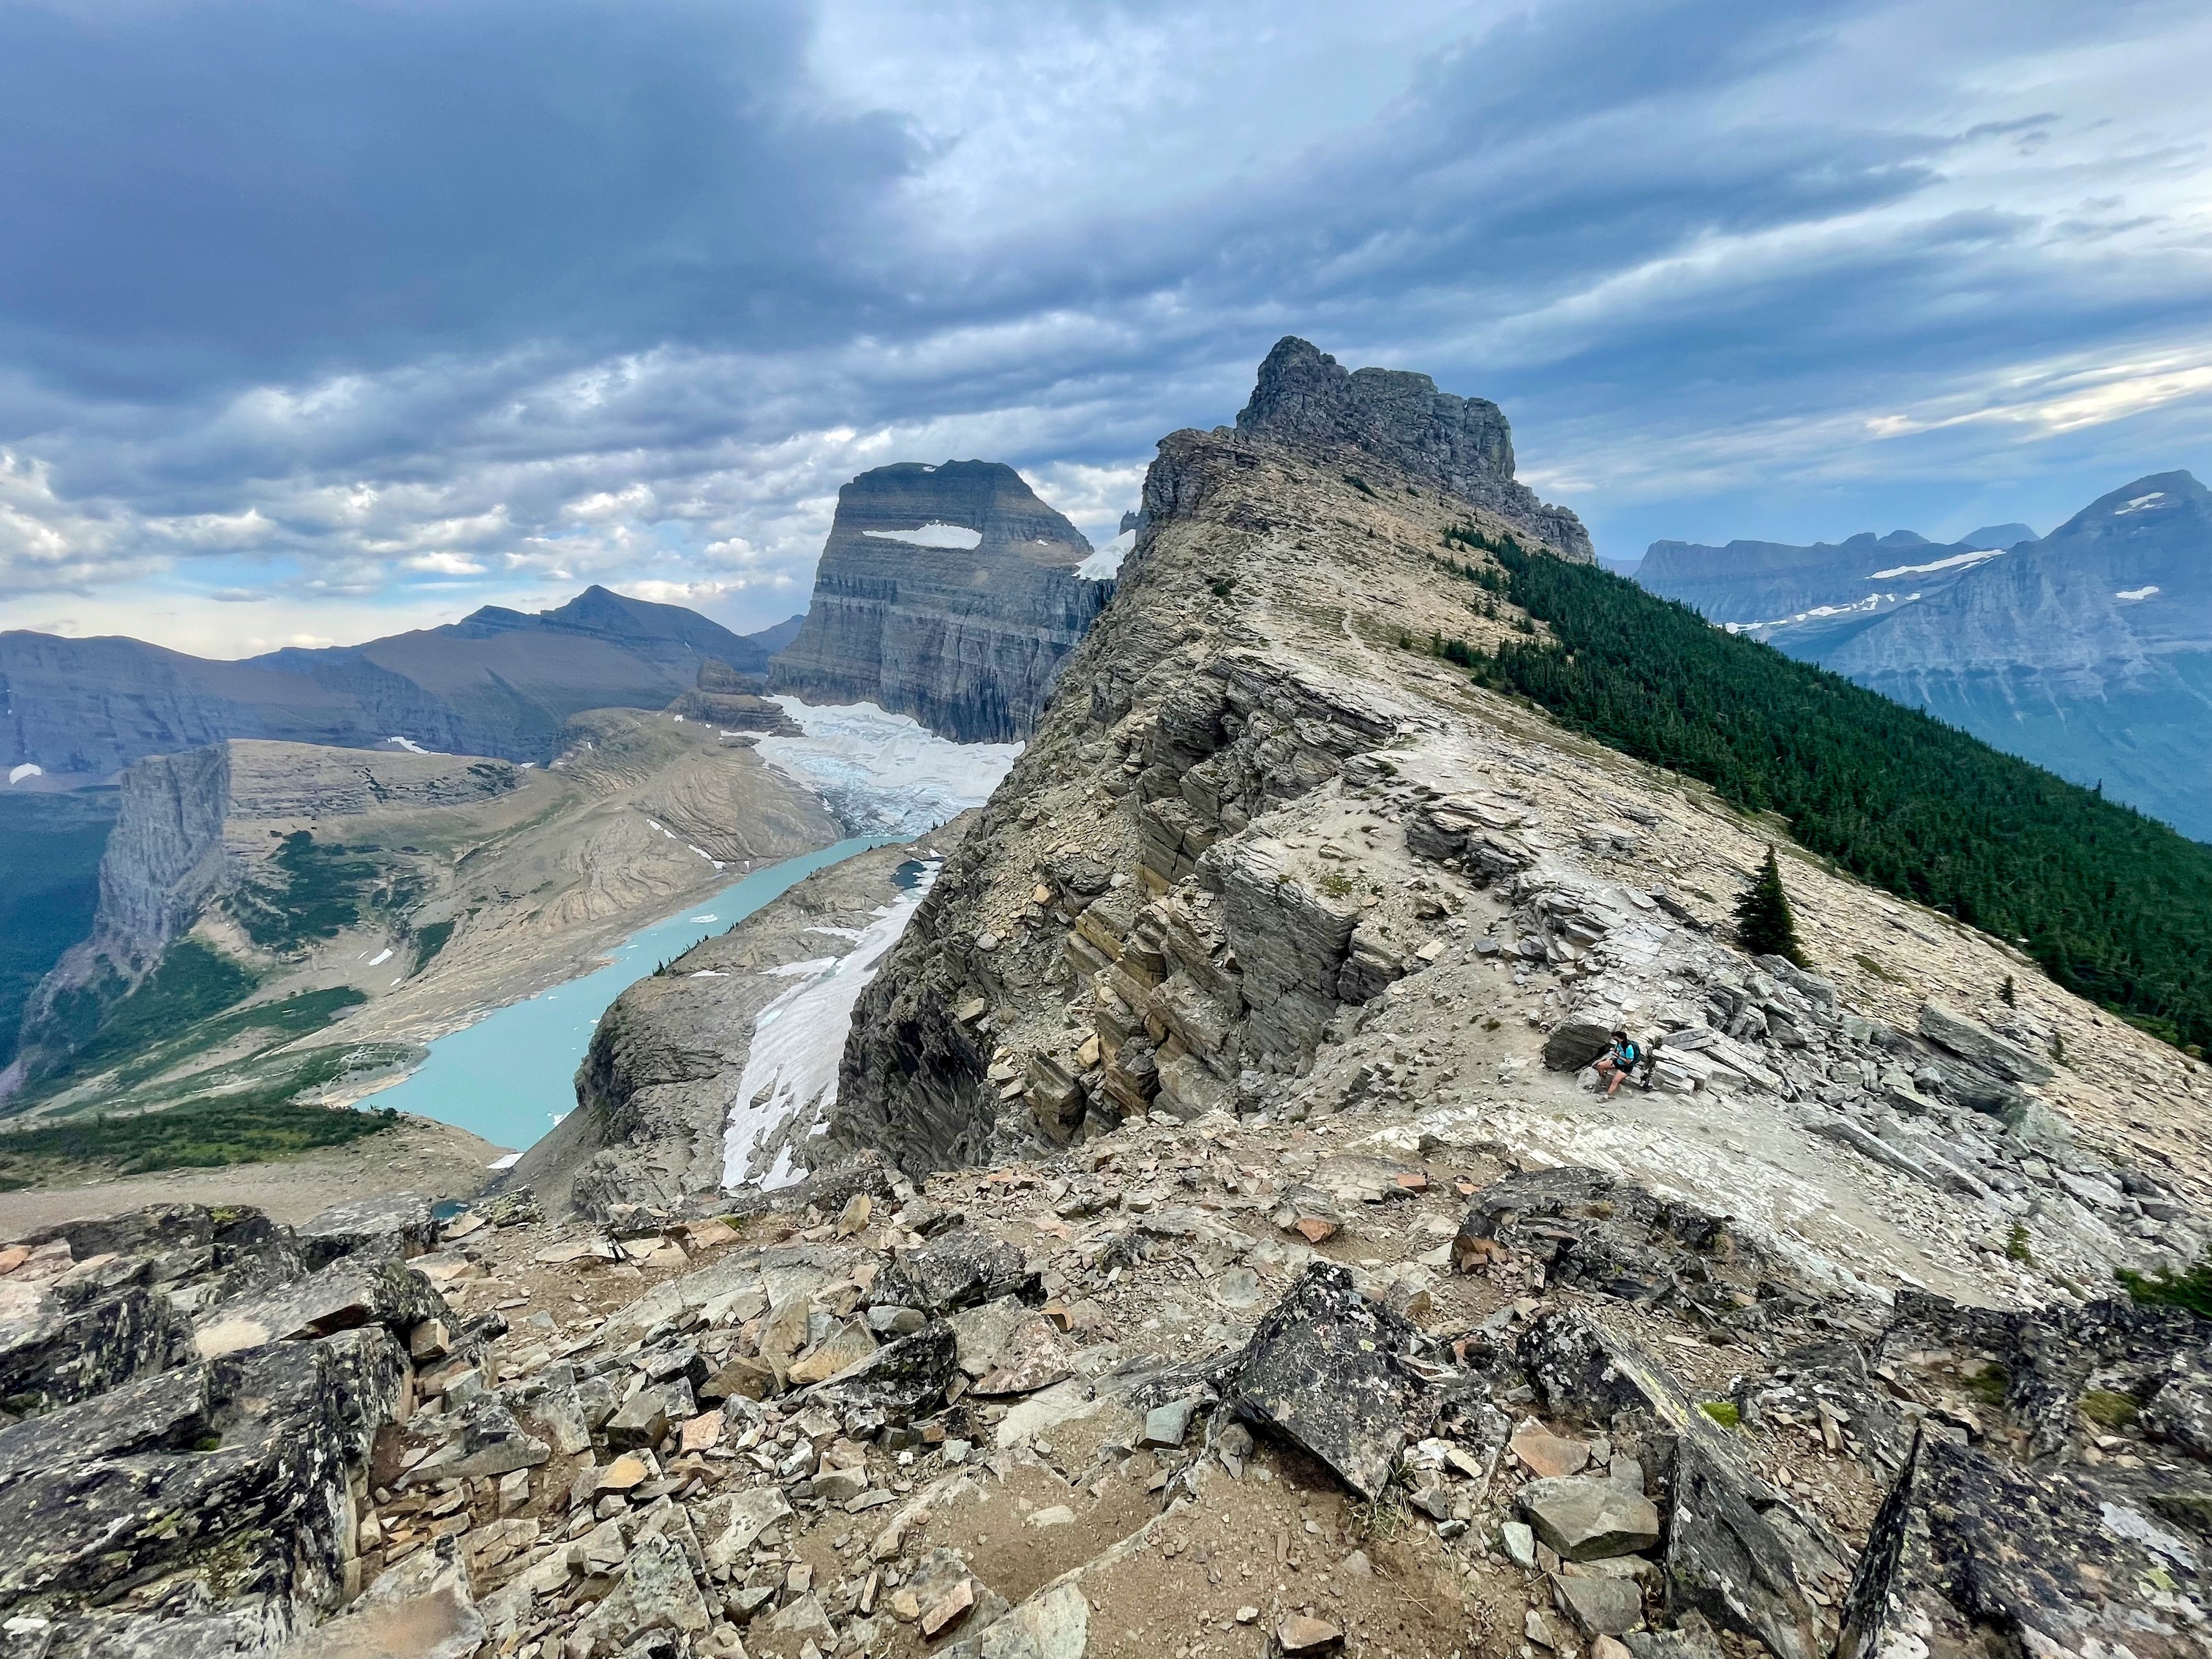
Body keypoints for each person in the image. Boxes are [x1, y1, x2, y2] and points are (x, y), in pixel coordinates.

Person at [1595, 1029, 1642, 1098]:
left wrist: (1618, 1056)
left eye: (1617, 1039)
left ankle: (1608, 1095)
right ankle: (1604, 1078)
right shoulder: (1619, 1044)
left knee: (1615, 1080)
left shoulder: (1629, 1048)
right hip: (1617, 1062)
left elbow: (1628, 1061)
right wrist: (1613, 1051)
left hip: (1626, 1066)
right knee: (1599, 1065)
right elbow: (1616, 1051)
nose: (1615, 1041)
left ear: (1622, 1039)